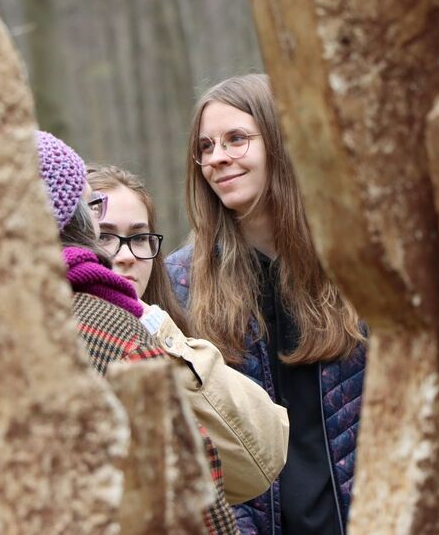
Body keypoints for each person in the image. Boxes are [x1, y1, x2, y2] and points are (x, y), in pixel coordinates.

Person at [166, 75, 368, 535]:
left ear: (280, 142)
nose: (218, 158)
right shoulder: (182, 281)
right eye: (206, 146)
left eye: (237, 139)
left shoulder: (353, 262)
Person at [87, 163, 289, 506]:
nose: (125, 256)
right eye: (104, 237)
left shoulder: (175, 339)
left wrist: (160, 334)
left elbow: (258, 463)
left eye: (138, 238)